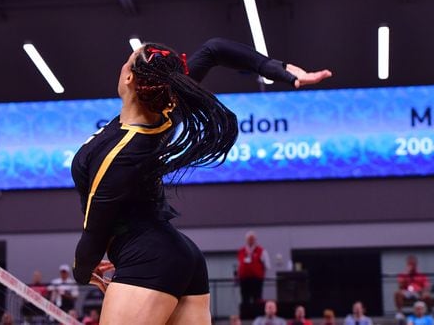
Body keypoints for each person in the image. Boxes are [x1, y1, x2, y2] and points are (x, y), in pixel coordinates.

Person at [70, 38, 331, 323]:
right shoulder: (167, 113)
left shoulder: (120, 155)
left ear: (129, 76)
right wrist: (280, 70)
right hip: (180, 258)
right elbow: (214, 50)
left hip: (147, 261)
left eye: (127, 60)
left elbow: (94, 233)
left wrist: (82, 272)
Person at [238, 231, 271, 315]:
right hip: (244, 279)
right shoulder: (241, 251)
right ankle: (246, 316)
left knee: (257, 298)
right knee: (245, 298)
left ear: (255, 240)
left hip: (257, 280)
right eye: (249, 239)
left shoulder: (261, 251)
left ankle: (257, 315)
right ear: (246, 240)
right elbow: (239, 264)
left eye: (252, 239)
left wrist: (262, 276)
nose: (251, 241)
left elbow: (267, 265)